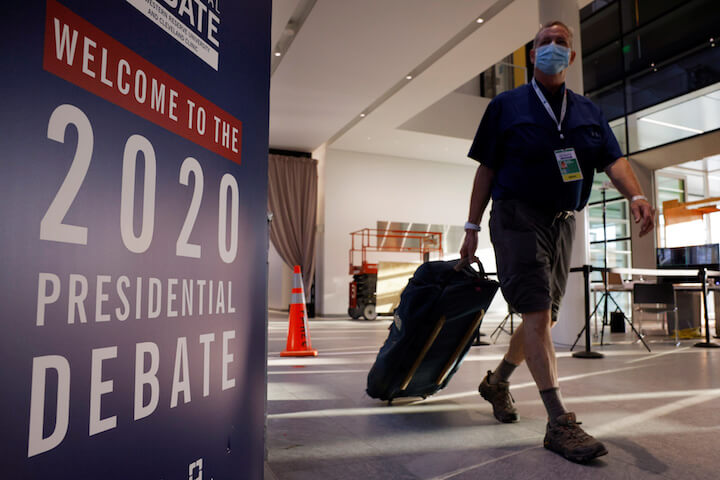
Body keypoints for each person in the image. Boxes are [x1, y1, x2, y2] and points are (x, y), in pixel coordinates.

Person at [460, 21, 654, 463]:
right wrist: (471, 229)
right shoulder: (506, 106)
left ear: (571, 56)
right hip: (516, 215)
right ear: (532, 55)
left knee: (541, 320)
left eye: (560, 43)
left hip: (563, 222)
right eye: (543, 42)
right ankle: (558, 422)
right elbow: (486, 170)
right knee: (537, 309)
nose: (551, 48)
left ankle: (498, 381)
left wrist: (637, 195)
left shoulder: (587, 111)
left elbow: (614, 159)